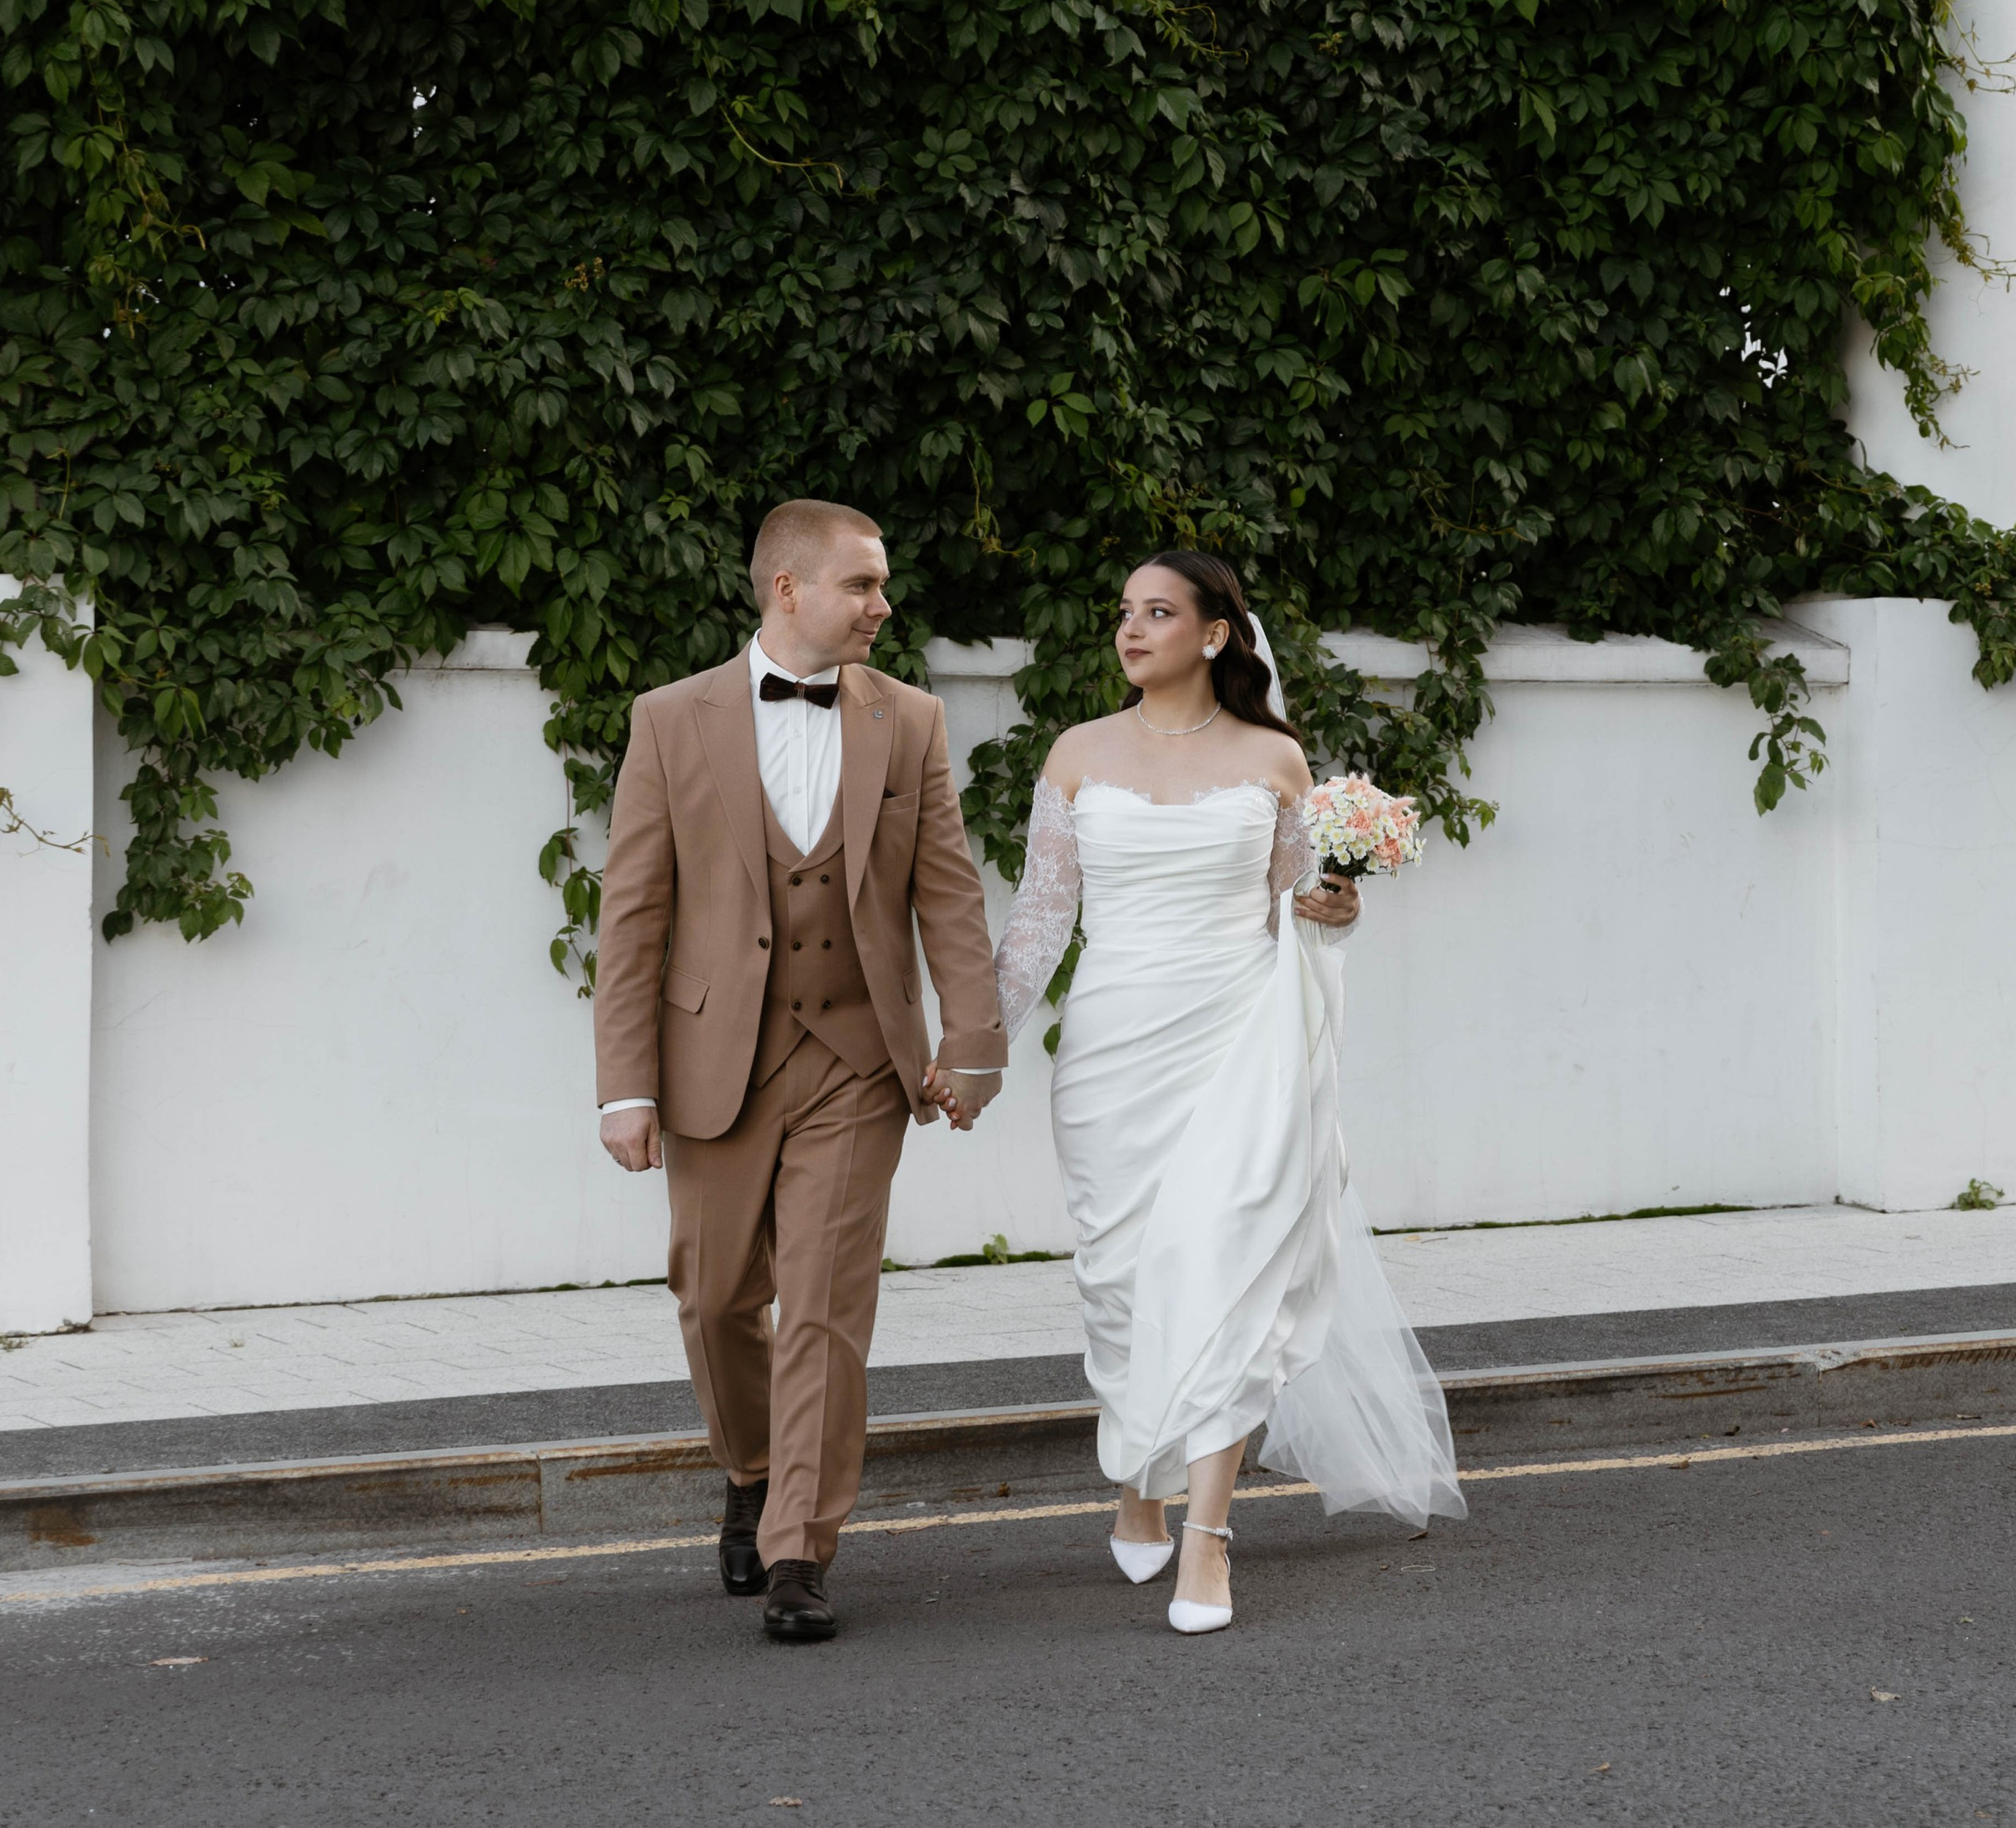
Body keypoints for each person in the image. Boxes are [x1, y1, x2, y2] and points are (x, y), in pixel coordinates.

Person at [938, 549, 1463, 1635]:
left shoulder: (1275, 757)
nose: (1133, 627)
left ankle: (1209, 1537)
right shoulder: (1078, 754)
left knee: (1228, 1267)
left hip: (1240, 1045)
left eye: (1160, 610)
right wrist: (976, 1046)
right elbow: (1039, 918)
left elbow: (1298, 898)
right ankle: (1140, 1479)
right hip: (1113, 1057)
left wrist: (1339, 911)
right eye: (1125, 609)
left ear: (1216, 631)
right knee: (1128, 1289)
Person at [593, 499, 1006, 1646]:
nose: (884, 604)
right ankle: (755, 1461)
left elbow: (949, 895)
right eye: (863, 584)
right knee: (716, 1293)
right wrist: (623, 1083)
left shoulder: (910, 721)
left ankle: (798, 1547)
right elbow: (632, 915)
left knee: (826, 1305)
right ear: (788, 588)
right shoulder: (672, 719)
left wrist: (971, 1043)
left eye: (882, 585)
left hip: (860, 1060)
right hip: (717, 1057)